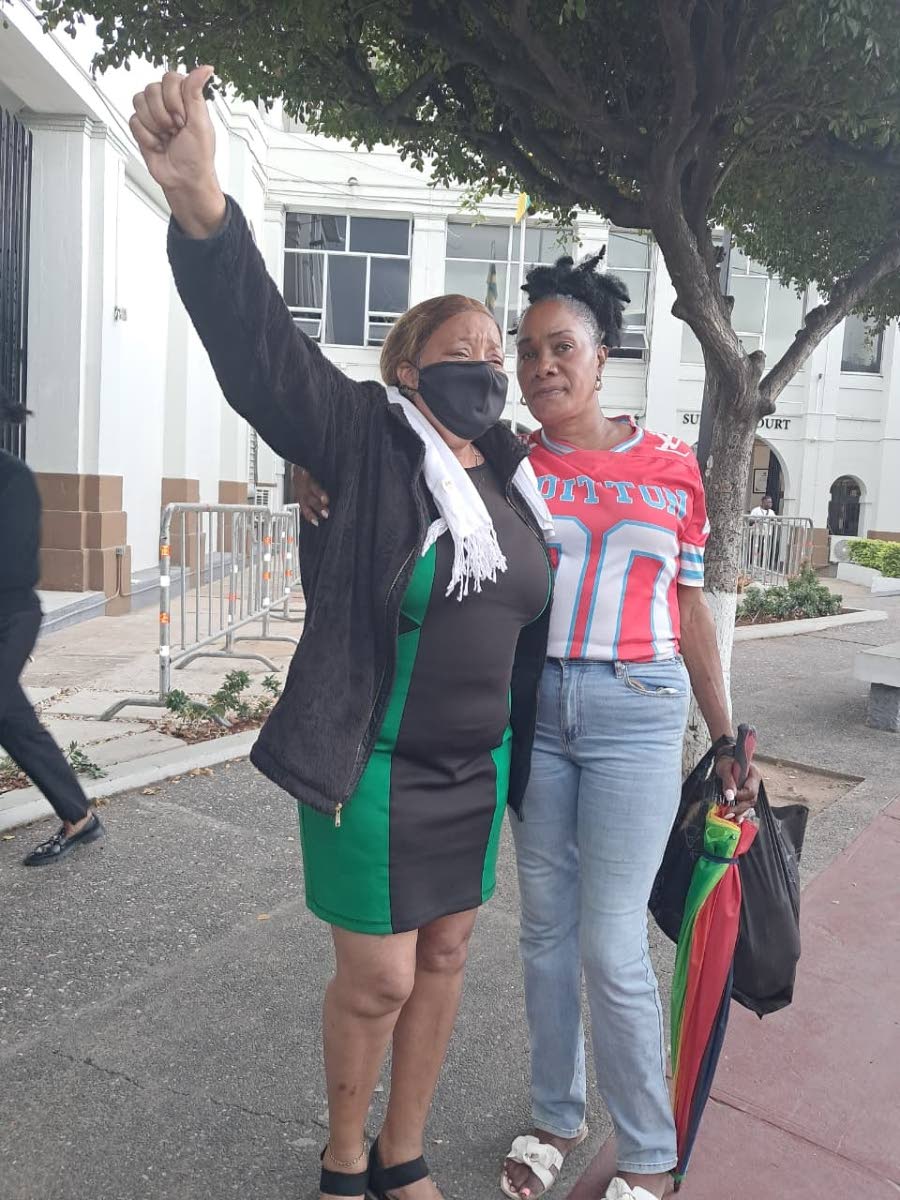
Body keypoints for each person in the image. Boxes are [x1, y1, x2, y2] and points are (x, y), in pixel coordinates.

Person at [129, 66, 556, 1200]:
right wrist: (204, 209)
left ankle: (404, 1154)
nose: (487, 366)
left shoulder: (518, 480)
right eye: (462, 351)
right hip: (372, 760)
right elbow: (262, 356)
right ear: (412, 370)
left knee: (451, 956)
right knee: (376, 977)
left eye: (494, 351)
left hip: (478, 768)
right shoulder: (363, 440)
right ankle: (343, 1155)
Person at [295, 256, 760, 1200]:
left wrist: (724, 735)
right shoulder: (507, 456)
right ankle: (557, 1112)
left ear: (600, 358)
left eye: (563, 348)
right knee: (543, 931)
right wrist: (306, 461)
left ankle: (647, 1152)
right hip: (536, 713)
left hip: (637, 707)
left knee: (611, 939)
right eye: (530, 350)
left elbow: (693, 608)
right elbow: (390, 442)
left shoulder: (673, 468)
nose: (543, 366)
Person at [0, 396, 104, 866]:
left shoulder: (13, 478)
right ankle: (79, 816)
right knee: (13, 722)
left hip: (11, 617)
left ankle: (79, 815)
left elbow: (15, 563)